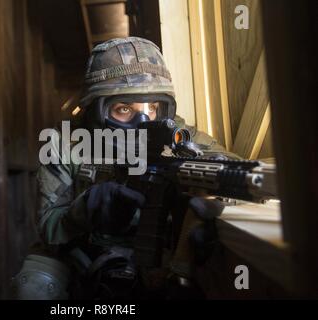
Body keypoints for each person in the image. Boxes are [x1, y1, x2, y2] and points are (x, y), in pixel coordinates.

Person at [14, 37, 237, 300]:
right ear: (97, 111)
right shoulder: (65, 143)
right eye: (123, 108)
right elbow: (48, 227)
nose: (143, 121)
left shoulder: (180, 137)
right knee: (33, 288)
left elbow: (232, 171)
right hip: (85, 254)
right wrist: (84, 210)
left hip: (161, 258)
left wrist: (211, 209)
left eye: (153, 108)